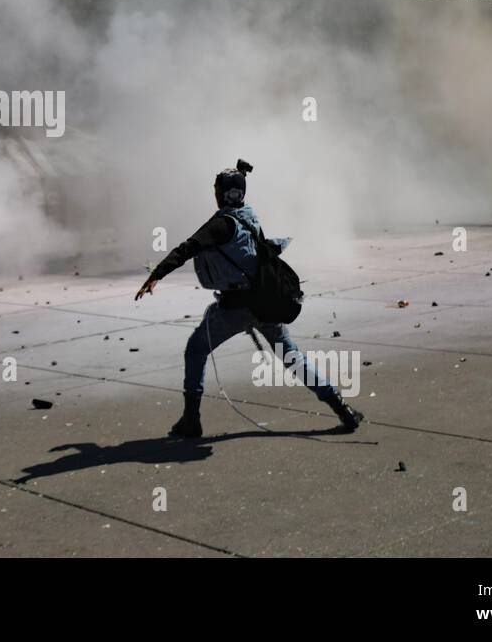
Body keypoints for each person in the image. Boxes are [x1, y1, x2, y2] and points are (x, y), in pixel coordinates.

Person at [135, 160, 364, 438]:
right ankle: (343, 410)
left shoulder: (221, 225)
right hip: (266, 302)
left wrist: (156, 274)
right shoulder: (249, 215)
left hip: (237, 307)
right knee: (292, 358)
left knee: (196, 349)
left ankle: (191, 420)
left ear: (220, 193)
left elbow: (188, 248)